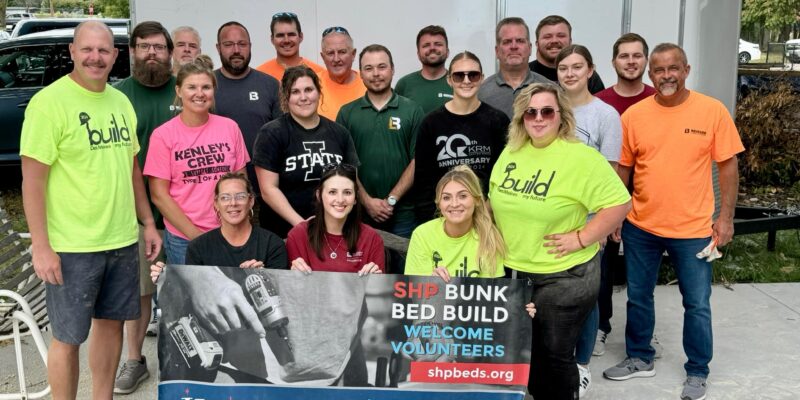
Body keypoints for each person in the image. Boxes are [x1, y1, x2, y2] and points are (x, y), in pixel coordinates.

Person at [20, 20, 162, 400]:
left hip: (119, 238)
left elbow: (132, 169)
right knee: (67, 338)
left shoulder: (120, 101)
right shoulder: (48, 104)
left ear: (116, 56)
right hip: (71, 244)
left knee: (111, 325)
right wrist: (41, 245)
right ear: (72, 52)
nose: (95, 58)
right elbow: (32, 182)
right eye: (87, 49)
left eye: (103, 50)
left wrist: (147, 222)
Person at [602, 43, 745, 400]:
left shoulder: (711, 111)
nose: (666, 76)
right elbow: (624, 169)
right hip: (641, 226)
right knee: (638, 296)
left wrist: (725, 218)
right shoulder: (634, 116)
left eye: (673, 68)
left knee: (696, 303)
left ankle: (697, 371)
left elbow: (728, 166)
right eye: (659, 70)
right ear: (651, 74)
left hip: (694, 229)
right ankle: (639, 357)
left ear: (686, 70)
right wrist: (616, 213)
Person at [488, 82, 631, 399]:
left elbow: (620, 203)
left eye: (547, 111)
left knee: (554, 354)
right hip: (518, 271)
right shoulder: (512, 153)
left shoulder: (580, 157)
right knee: (531, 351)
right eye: (530, 112)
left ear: (561, 116)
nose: (538, 118)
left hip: (565, 274)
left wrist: (583, 237)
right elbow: (494, 201)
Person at [149, 172, 287, 383]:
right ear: (216, 204)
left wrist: (266, 275)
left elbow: (282, 295)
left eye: (240, 196)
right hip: (218, 349)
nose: (233, 203)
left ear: (251, 200)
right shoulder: (199, 247)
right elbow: (191, 302)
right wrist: (166, 276)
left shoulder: (272, 244)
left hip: (260, 354)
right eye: (225, 197)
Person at [112, 20, 175, 394]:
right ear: (133, 51)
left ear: (168, 51)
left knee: (192, 288)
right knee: (140, 293)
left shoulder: (186, 90)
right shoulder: (118, 96)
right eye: (144, 46)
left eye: (158, 46)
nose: (152, 53)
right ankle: (134, 360)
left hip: (187, 214)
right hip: (137, 214)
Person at [556, 43, 622, 398]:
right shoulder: (547, 109)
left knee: (587, 294)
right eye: (563, 67)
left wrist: (601, 224)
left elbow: (610, 175)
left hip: (588, 220)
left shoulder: (605, 115)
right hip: (552, 220)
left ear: (590, 70)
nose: (569, 73)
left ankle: (581, 366)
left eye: (576, 67)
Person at [144, 56, 250, 264]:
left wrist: (236, 229)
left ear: (214, 90)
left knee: (231, 295)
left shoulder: (229, 127)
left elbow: (241, 183)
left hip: (229, 234)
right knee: (191, 297)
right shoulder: (163, 135)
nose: (199, 94)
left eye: (206, 87)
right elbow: (158, 195)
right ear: (178, 91)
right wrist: (198, 238)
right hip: (184, 239)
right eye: (192, 87)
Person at [592, 32, 656, 359]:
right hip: (608, 202)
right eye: (624, 56)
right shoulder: (601, 102)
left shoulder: (660, 99)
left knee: (641, 276)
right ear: (613, 61)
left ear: (645, 61)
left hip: (650, 203)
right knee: (602, 270)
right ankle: (601, 327)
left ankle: (641, 337)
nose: (630, 62)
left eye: (637, 56)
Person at [253, 66, 360, 238]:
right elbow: (268, 189)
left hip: (333, 231)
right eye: (295, 92)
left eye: (308, 90)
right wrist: (302, 225)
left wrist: (332, 223)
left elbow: (350, 183)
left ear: (318, 92)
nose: (303, 97)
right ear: (286, 97)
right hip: (283, 233)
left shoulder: (339, 133)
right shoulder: (271, 133)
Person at [337, 44, 421, 238]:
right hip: (358, 214)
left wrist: (392, 199)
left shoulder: (412, 110)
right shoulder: (347, 113)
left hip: (404, 215)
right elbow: (343, 166)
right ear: (361, 74)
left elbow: (418, 160)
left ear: (392, 69)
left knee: (404, 269)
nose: (376, 73)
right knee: (366, 269)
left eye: (382, 67)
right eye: (369, 68)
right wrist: (367, 201)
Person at [414, 51, 508, 223]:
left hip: (488, 218)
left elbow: (504, 176)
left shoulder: (498, 121)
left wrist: (487, 214)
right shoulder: (431, 123)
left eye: (473, 75)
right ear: (449, 80)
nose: (466, 81)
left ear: (482, 78)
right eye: (459, 76)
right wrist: (432, 223)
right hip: (444, 218)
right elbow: (423, 183)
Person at [213, 21, 282, 227]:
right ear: (218, 48)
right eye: (228, 44)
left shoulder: (269, 84)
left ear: (250, 46)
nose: (236, 50)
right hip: (223, 197)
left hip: (265, 192)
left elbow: (281, 137)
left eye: (242, 44)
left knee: (260, 256)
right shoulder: (208, 85)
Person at [406, 165, 504, 279]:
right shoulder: (422, 235)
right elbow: (414, 290)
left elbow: (490, 292)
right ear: (439, 204)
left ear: (477, 200)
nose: (454, 204)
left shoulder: (489, 237)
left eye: (462, 196)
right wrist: (431, 282)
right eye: (446, 198)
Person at [286, 162, 384, 274]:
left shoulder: (372, 239)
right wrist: (293, 277)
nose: (340, 199)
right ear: (319, 196)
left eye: (347, 192)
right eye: (332, 192)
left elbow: (378, 291)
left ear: (355, 198)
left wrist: (375, 282)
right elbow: (292, 289)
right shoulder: (298, 235)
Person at [478, 17, 549, 119]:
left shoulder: (550, 89)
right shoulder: (481, 93)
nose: (514, 46)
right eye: (507, 42)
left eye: (520, 41)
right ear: (497, 51)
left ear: (530, 48)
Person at [528, 15, 604, 94]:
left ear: (570, 41)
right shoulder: (525, 74)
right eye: (547, 37)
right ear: (537, 44)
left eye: (561, 36)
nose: (554, 40)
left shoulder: (586, 75)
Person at [395, 25, 453, 114]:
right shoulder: (404, 84)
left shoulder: (459, 82)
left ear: (447, 52)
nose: (432, 48)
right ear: (418, 54)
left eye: (438, 44)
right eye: (426, 45)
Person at [256, 12, 324, 81]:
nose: (286, 40)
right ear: (272, 39)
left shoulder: (319, 73)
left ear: (301, 37)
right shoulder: (259, 75)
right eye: (280, 35)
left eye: (291, 34)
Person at [317, 26, 366, 120]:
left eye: (342, 52)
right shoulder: (312, 84)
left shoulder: (368, 82)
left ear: (353, 54)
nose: (336, 59)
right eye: (330, 53)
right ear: (323, 57)